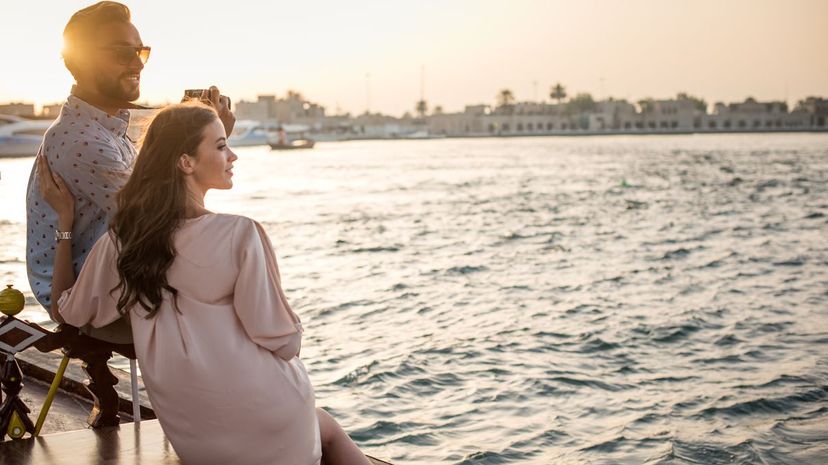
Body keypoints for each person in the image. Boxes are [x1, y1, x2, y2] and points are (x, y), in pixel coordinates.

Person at [36, 102, 372, 465]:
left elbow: (65, 311)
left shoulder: (122, 242)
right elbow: (282, 340)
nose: (234, 156)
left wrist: (65, 223)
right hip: (269, 415)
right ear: (186, 162)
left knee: (316, 426)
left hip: (196, 436)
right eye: (221, 145)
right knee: (328, 430)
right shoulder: (240, 233)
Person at [25, 1, 235, 426]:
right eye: (120, 51)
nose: (135, 63)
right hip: (83, 292)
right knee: (222, 302)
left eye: (140, 52)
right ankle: (220, 426)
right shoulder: (83, 140)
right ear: (81, 61)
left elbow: (159, 184)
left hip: (114, 268)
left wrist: (199, 133)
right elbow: (170, 212)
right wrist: (214, 138)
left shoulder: (110, 125)